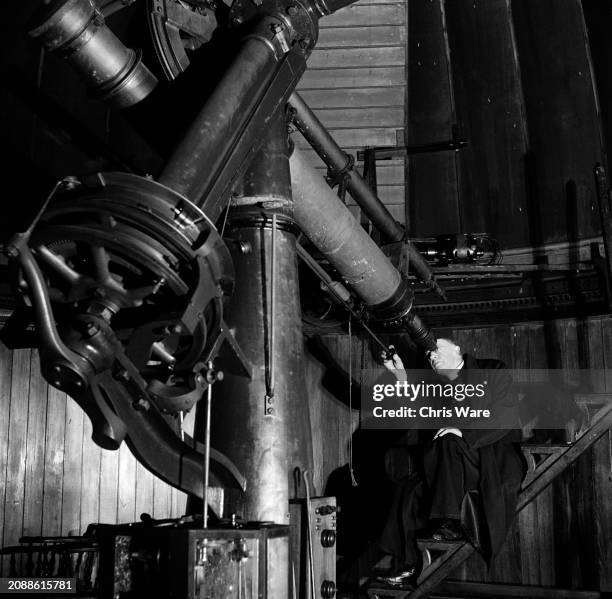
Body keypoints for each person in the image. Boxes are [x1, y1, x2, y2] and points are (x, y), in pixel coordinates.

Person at [375, 338, 525, 586]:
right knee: (409, 489)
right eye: (429, 355)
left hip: (491, 459)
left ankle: (450, 522)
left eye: (436, 350)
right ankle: (409, 565)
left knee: (448, 438)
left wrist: (463, 432)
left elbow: (505, 414)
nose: (431, 356)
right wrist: (400, 377)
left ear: (457, 349)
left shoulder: (491, 369)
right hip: (453, 466)